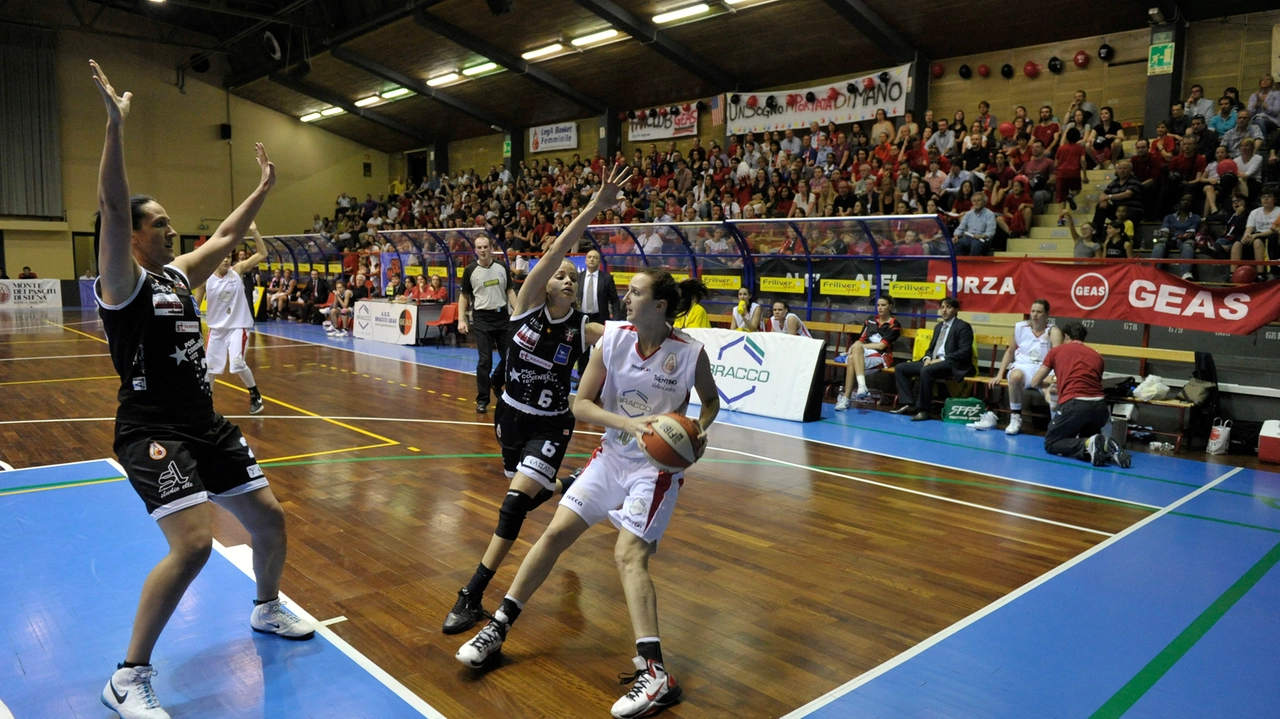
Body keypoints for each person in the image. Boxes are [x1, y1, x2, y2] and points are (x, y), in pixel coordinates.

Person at [89, 61, 312, 719]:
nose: (167, 228)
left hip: (204, 422)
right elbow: (108, 200)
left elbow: (223, 238)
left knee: (270, 519)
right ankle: (128, 675)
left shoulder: (178, 277)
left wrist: (264, 188)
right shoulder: (121, 283)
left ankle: (267, 607)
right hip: (152, 430)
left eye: (165, 221)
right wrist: (113, 126)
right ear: (130, 236)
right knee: (193, 544)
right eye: (155, 222)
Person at [455, 267, 720, 719]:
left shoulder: (690, 353)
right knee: (555, 533)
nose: (625, 299)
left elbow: (710, 402)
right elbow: (581, 402)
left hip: (654, 470)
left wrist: (697, 433)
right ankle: (497, 627)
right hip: (611, 455)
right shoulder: (613, 339)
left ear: (659, 306)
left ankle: (656, 674)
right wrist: (629, 425)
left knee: (628, 555)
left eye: (635, 293)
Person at [441, 164, 630, 637]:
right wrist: (589, 211)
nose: (566, 280)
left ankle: (472, 592)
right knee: (523, 501)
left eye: (572, 277)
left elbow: (626, 337)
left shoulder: (584, 327)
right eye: (559, 275)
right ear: (544, 282)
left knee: (511, 506)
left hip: (550, 424)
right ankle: (567, 484)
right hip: (509, 416)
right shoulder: (525, 303)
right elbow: (555, 251)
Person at [193, 223, 268, 414]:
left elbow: (262, 254)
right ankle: (205, 404)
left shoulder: (238, 271)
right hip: (216, 329)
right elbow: (195, 304)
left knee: (237, 363)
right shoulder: (205, 278)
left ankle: (255, 395)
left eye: (228, 256)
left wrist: (254, 231)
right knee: (210, 368)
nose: (226, 260)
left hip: (238, 326)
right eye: (223, 257)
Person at [1032, 323, 1130, 467]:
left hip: (1075, 406)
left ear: (1066, 336)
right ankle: (1104, 445)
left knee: (1052, 443)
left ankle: (1090, 443)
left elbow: (1035, 382)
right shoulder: (1097, 356)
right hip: (1100, 408)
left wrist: (1047, 389)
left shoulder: (1056, 351)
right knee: (1092, 443)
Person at [983, 299, 1063, 435]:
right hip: (1023, 367)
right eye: (1033, 311)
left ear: (1047, 314)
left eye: (1039, 312)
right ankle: (1016, 417)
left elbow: (1059, 357)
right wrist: (999, 374)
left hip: (1044, 369)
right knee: (1015, 377)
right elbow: (1010, 351)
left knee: (1052, 392)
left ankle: (1056, 424)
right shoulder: (1020, 327)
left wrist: (1055, 375)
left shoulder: (1053, 331)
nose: (1035, 315)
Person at [458, 236, 516, 413]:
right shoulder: (470, 270)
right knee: (485, 360)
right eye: (479, 247)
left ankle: (496, 382)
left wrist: (520, 312)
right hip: (482, 319)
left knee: (509, 358)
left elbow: (510, 291)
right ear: (475, 250)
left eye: (485, 247)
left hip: (502, 318)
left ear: (491, 248)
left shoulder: (501, 267)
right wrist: (461, 318)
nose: (483, 250)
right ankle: (482, 399)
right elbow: (464, 296)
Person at [891, 297, 974, 421]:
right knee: (901, 368)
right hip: (934, 362)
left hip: (953, 364)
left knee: (927, 370)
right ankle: (909, 404)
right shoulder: (938, 327)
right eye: (942, 307)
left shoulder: (963, 326)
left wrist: (940, 360)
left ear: (956, 310)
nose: (944, 310)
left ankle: (924, 410)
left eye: (949, 307)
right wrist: (927, 358)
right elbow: (931, 349)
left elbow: (964, 352)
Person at [835, 296, 901, 411]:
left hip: (882, 356)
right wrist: (857, 345)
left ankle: (847, 399)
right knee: (852, 355)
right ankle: (861, 387)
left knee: (852, 357)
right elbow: (861, 339)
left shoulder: (894, 325)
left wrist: (859, 346)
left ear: (890, 306)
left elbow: (881, 345)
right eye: (878, 305)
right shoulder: (870, 320)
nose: (880, 308)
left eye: (883, 305)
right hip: (864, 353)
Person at [576, 248, 621, 376]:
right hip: (582, 319)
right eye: (589, 257)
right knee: (582, 351)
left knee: (601, 350)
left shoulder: (606, 279)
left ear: (599, 262)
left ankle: (600, 379)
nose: (592, 259)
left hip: (600, 319)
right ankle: (582, 379)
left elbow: (614, 301)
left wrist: (616, 321)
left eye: (595, 257)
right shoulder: (579, 277)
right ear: (585, 260)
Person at [1153, 194, 1204, 280]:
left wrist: (1184, 236)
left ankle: (1186, 273)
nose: (1185, 202)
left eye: (1188, 200)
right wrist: (1168, 236)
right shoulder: (1169, 217)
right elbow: (1164, 231)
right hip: (1170, 239)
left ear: (1192, 203)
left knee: (1189, 244)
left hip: (1184, 240)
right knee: (1160, 242)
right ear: (1179, 202)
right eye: (1183, 200)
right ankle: (1153, 270)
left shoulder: (1195, 217)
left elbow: (1191, 232)